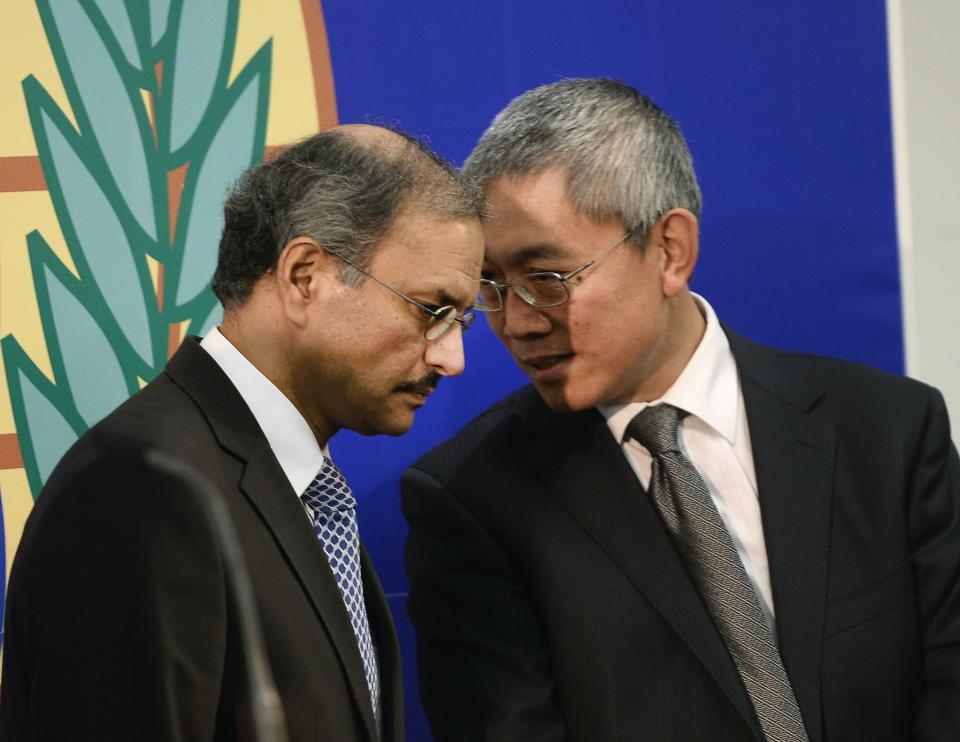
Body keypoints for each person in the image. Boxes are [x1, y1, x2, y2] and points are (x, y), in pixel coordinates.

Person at [401, 78, 960, 742]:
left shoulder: (888, 431)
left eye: (546, 279)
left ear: (670, 250)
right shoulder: (474, 500)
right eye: (492, 286)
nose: (518, 323)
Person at [0, 124, 485, 742]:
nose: (452, 359)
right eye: (430, 310)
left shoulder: (296, 488)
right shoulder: (140, 490)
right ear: (305, 275)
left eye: (463, 322)